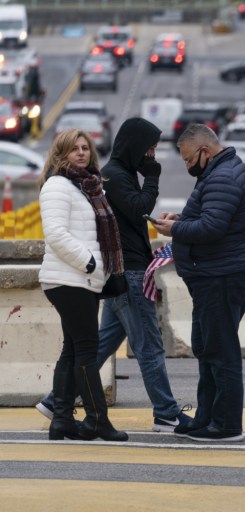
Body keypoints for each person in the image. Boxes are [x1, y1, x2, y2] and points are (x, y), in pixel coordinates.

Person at [36, 118, 192, 433]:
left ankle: (58, 402)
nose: (152, 156)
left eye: (84, 148)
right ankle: (165, 412)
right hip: (123, 271)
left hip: (117, 271)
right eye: (148, 149)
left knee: (95, 345)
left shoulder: (99, 180)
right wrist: (152, 180)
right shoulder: (114, 176)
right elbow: (135, 209)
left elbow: (125, 218)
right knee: (148, 345)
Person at [153, 123, 245, 442]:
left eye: (187, 160)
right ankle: (205, 417)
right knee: (206, 347)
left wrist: (174, 231)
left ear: (205, 151)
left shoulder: (223, 177)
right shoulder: (217, 173)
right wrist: (182, 220)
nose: (187, 166)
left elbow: (212, 227)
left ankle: (226, 424)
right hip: (213, 274)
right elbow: (211, 219)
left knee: (220, 351)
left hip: (222, 276)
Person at [38, 129, 128, 442]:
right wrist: (90, 262)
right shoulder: (57, 186)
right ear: (60, 155)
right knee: (87, 350)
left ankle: (61, 419)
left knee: (73, 349)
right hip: (68, 278)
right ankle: (97, 420)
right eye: (73, 149)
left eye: (85, 148)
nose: (81, 153)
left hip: (81, 279)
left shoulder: (86, 187)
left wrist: (93, 270)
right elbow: (56, 235)